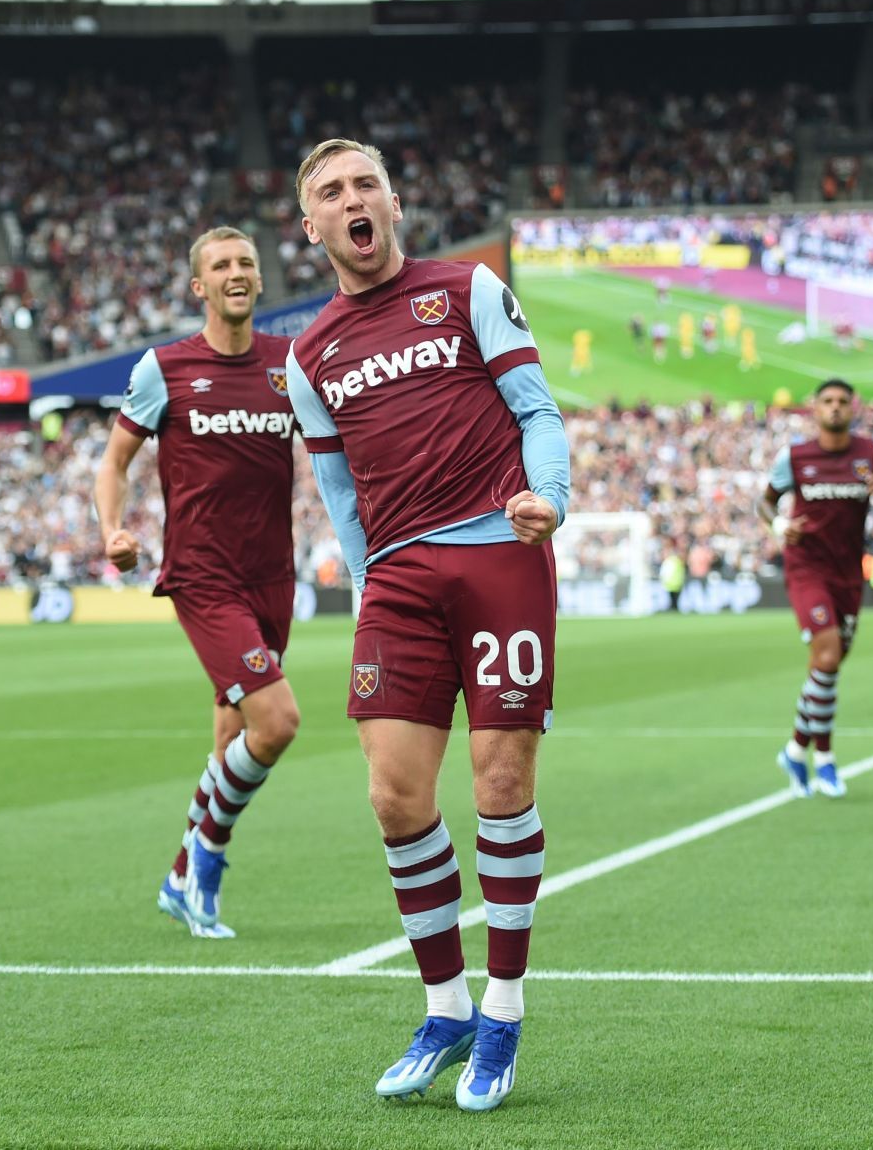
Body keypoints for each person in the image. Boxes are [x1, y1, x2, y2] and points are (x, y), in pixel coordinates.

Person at [284, 139, 570, 1112]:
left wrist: (551, 496)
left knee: (500, 780)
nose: (352, 199)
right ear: (312, 224)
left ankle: (503, 1011)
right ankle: (444, 1009)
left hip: (499, 551)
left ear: (395, 202)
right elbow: (336, 490)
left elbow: (537, 409)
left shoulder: (468, 290)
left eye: (366, 183)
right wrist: (368, 589)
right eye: (332, 191)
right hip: (399, 580)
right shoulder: (309, 352)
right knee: (396, 798)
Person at [95, 226, 301, 942]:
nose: (236, 273)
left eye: (246, 262)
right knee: (276, 723)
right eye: (221, 265)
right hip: (203, 576)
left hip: (275, 574)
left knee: (231, 737)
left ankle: (179, 873)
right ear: (200, 286)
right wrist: (114, 530)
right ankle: (207, 861)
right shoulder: (166, 368)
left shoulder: (289, 364)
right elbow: (114, 461)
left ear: (258, 280)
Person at [757, 379, 873, 798]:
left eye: (843, 402)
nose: (836, 408)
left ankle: (796, 748)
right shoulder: (796, 457)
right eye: (828, 401)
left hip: (848, 572)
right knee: (827, 653)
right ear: (815, 408)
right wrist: (781, 525)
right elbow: (765, 502)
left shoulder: (872, 454)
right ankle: (825, 759)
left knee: (829, 666)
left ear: (853, 408)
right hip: (807, 567)